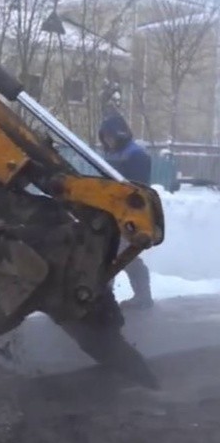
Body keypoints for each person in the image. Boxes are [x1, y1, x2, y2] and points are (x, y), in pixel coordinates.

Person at [98, 110, 154, 309]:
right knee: (116, 255)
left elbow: (137, 188)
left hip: (130, 214)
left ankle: (107, 298)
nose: (107, 140)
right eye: (104, 137)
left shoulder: (135, 155)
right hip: (113, 213)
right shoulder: (114, 154)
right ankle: (112, 297)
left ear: (119, 134)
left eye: (109, 136)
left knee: (120, 255)